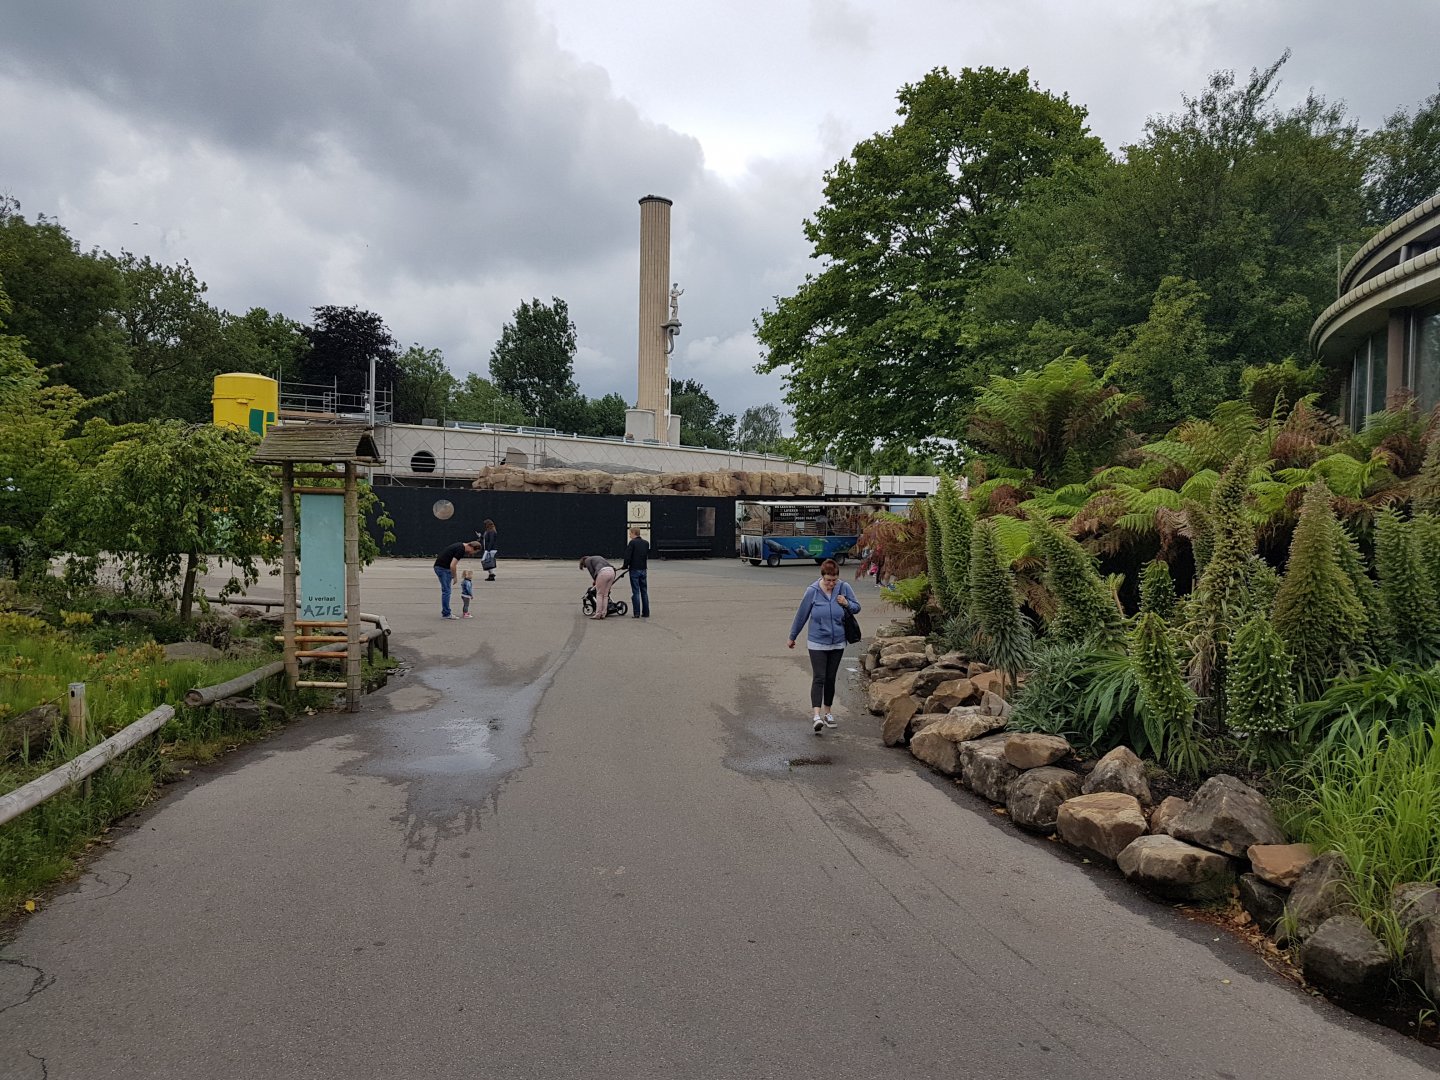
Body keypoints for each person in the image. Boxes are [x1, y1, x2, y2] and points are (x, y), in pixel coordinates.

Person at [787, 557, 862, 735]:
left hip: (838, 641)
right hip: (817, 641)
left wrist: (846, 603)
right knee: (819, 677)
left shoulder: (844, 588)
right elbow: (801, 615)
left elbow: (857, 607)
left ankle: (828, 713)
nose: (831, 584)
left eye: (834, 580)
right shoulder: (812, 591)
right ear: (822, 576)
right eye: (828, 580)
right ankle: (816, 716)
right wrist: (792, 636)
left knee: (830, 677)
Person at [434, 539, 481, 619]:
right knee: (446, 591)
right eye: (474, 552)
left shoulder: (459, 545)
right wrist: (455, 576)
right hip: (443, 568)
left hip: (441, 567)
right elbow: (453, 565)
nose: (472, 554)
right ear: (472, 547)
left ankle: (446, 612)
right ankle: (446, 613)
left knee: (446, 591)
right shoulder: (461, 550)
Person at [621, 527, 650, 618]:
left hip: (634, 569)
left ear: (634, 533)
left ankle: (636, 613)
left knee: (636, 591)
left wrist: (625, 566)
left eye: (630, 533)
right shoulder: (646, 543)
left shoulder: (632, 543)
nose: (629, 535)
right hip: (643, 569)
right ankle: (646, 612)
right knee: (644, 591)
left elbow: (628, 556)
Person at [579, 555, 617, 620]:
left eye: (585, 566)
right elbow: (611, 566)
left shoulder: (587, 560)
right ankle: (604, 613)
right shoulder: (598, 557)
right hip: (611, 572)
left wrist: (595, 581)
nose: (586, 566)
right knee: (605, 595)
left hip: (603, 573)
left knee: (599, 594)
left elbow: (592, 572)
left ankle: (598, 614)